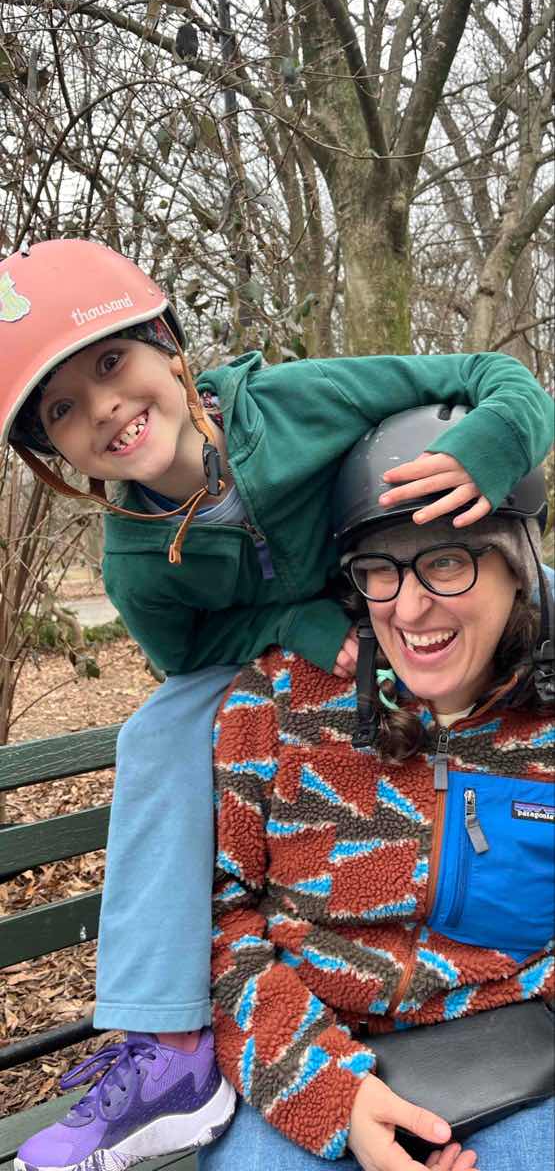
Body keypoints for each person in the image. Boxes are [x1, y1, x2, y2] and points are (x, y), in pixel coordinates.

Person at [2, 239, 553, 1171]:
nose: (104, 406)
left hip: (494, 1030)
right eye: (63, 407)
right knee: (162, 725)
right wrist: (295, 622)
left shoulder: (300, 402)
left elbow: (492, 377)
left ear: (170, 347)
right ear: (50, 449)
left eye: (110, 362)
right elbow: (184, 658)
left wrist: (484, 452)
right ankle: (163, 1040)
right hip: (300, 672)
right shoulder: (136, 561)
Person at [199, 405, 554, 1171]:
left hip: (517, 1044)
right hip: (307, 1047)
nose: (409, 605)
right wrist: (330, 1091)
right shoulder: (279, 703)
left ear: (516, 564)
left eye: (448, 561)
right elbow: (219, 919)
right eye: (380, 570)